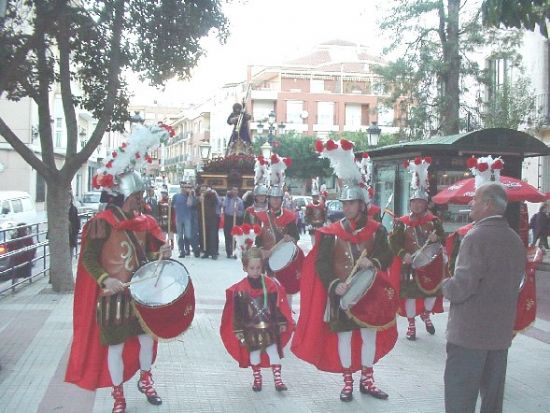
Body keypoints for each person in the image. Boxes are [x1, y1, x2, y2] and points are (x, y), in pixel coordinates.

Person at [292, 139, 398, 403]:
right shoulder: (330, 233)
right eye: (344, 203)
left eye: (351, 203)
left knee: (368, 336)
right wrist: (333, 285)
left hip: (369, 292)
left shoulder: (377, 230)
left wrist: (372, 263)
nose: (346, 207)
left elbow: (388, 254)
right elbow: (322, 264)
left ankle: (368, 380)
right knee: (345, 338)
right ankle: (348, 383)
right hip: (341, 294)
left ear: (362, 205)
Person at [65, 171, 171, 413]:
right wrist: (105, 279)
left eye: (140, 196)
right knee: (116, 347)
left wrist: (160, 255)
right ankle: (118, 394)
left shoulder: (144, 222)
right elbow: (89, 259)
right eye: (135, 196)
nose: (139, 201)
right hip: (113, 299)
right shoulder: (101, 222)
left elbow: (145, 258)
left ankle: (146, 380)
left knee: (146, 342)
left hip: (141, 295)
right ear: (122, 196)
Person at [442, 183, 525, 413]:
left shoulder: (475, 237)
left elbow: (462, 287)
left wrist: (444, 284)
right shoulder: (515, 240)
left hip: (470, 335)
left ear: (488, 204)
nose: (471, 203)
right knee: (492, 401)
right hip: (499, 335)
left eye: (475, 199)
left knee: (460, 397)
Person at [220, 247, 295, 392]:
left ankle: (278, 380)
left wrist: (281, 322)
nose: (255, 271)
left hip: (269, 326)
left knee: (273, 352)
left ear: (262, 267)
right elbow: (238, 312)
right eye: (252, 268)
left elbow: (276, 305)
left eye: (258, 268)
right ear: (245, 268)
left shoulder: (270, 285)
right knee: (254, 354)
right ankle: (257, 378)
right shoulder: (240, 288)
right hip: (251, 329)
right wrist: (238, 330)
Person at [389, 157, 445, 341]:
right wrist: (402, 253)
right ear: (410, 203)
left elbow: (444, 239)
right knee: (411, 297)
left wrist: (438, 238)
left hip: (431, 266)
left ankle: (426, 315)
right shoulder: (402, 223)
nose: (417, 205)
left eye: (421, 202)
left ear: (425, 203)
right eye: (414, 202)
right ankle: (411, 326)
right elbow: (394, 242)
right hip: (410, 265)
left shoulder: (434, 222)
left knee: (431, 297)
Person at [255, 185, 302, 306]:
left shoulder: (289, 217)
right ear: (269, 199)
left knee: (285, 290)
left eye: (278, 198)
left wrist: (290, 238)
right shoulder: (261, 217)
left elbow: (296, 237)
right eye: (273, 198)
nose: (275, 200)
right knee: (267, 289)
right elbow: (257, 239)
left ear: (281, 200)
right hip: (266, 259)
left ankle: (286, 315)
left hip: (283, 261)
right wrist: (261, 251)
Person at [172, 181, 200, 258]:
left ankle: (193, 249)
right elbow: (172, 205)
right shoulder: (176, 196)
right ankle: (182, 251)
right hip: (179, 218)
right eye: (183, 187)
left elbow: (189, 204)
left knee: (188, 235)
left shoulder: (190, 197)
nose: (185, 189)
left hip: (187, 218)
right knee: (180, 236)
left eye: (187, 187)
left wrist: (190, 195)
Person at [198, 184, 221, 260]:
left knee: (213, 236)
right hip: (203, 219)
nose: (203, 191)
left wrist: (209, 193)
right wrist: (199, 199)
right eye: (202, 190)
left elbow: (217, 202)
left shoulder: (211, 195)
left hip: (212, 219)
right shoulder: (199, 197)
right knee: (205, 236)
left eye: (204, 190)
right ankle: (206, 252)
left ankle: (214, 253)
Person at [222, 186, 244, 258]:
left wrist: (237, 211)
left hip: (236, 219)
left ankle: (235, 252)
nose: (234, 191)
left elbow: (241, 213)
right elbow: (224, 206)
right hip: (228, 218)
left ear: (238, 191)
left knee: (236, 236)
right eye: (233, 190)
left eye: (236, 190)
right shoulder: (228, 199)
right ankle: (228, 252)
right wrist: (227, 196)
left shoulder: (240, 201)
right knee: (227, 235)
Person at [69, 190, 81, 258]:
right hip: (61, 238)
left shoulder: (74, 209)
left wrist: (74, 232)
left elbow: (77, 223)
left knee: (70, 256)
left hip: (71, 237)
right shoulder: (59, 210)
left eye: (69, 197)